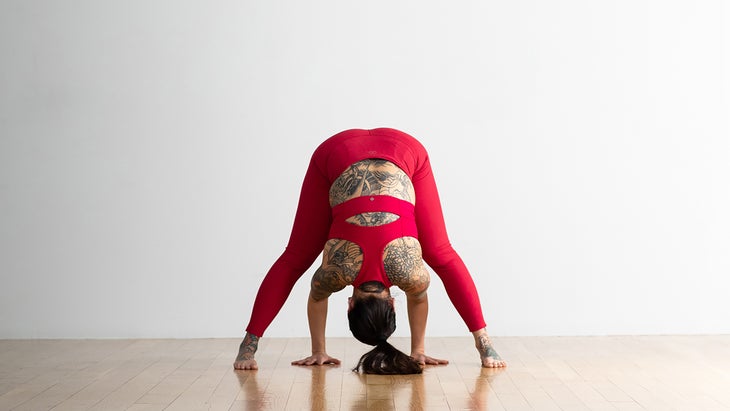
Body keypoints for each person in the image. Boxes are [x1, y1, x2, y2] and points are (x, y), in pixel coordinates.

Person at [234, 128, 506, 373]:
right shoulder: (335, 273)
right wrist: (318, 351)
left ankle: (485, 345)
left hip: (404, 149)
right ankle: (247, 347)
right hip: (339, 152)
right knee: (296, 257)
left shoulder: (410, 275)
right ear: (350, 305)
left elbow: (418, 297)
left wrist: (418, 351)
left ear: (392, 303)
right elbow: (317, 298)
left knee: (440, 254)